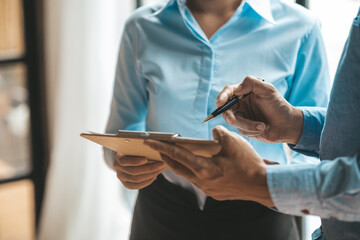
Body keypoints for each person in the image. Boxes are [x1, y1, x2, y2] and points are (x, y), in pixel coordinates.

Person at [104, 0, 330, 239]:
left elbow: (320, 148)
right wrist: (124, 161)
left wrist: (274, 189)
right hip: (159, 214)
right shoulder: (141, 27)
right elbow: (119, 134)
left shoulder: (301, 27)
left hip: (260, 218)